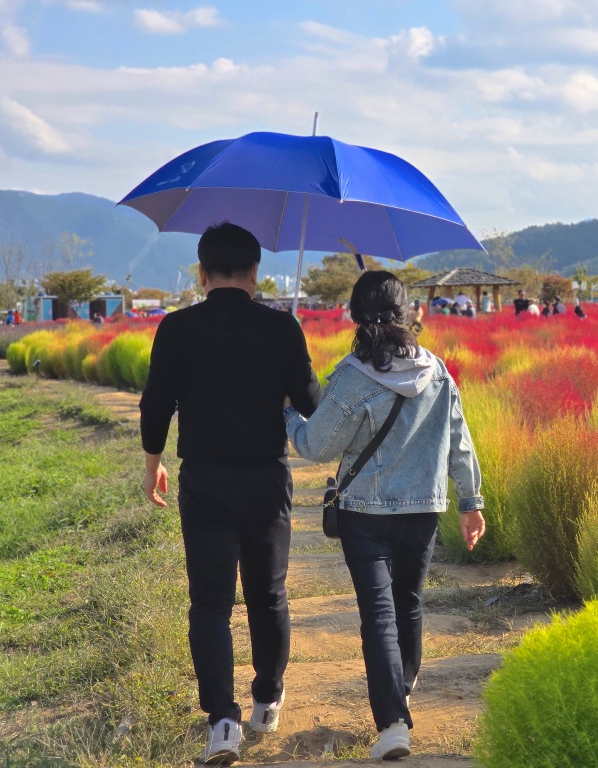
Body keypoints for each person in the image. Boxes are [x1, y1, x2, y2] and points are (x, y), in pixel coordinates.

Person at [140, 222, 322, 766]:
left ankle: (222, 720)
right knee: (268, 595)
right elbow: (312, 401)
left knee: (211, 603)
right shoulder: (281, 327)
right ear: (253, 273)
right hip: (266, 479)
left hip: (205, 481)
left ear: (202, 273)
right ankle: (267, 698)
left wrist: (154, 465)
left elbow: (156, 404)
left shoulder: (175, 328)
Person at [284, 271, 485, 761]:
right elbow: (460, 442)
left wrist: (288, 412)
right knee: (409, 602)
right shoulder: (438, 372)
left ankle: (393, 722)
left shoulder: (353, 376)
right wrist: (470, 502)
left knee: (378, 615)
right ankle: (404, 684)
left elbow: (315, 445)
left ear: (355, 317)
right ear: (408, 314)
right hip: (423, 511)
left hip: (365, 515)